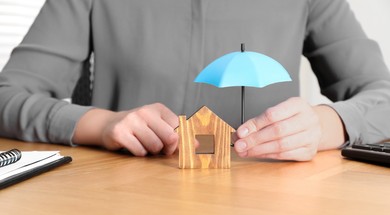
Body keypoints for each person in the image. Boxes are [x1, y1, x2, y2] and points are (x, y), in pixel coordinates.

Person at [1, 0, 390, 161]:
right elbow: (7, 96)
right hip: (122, 211)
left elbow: (383, 96)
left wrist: (323, 125)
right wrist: (102, 124)